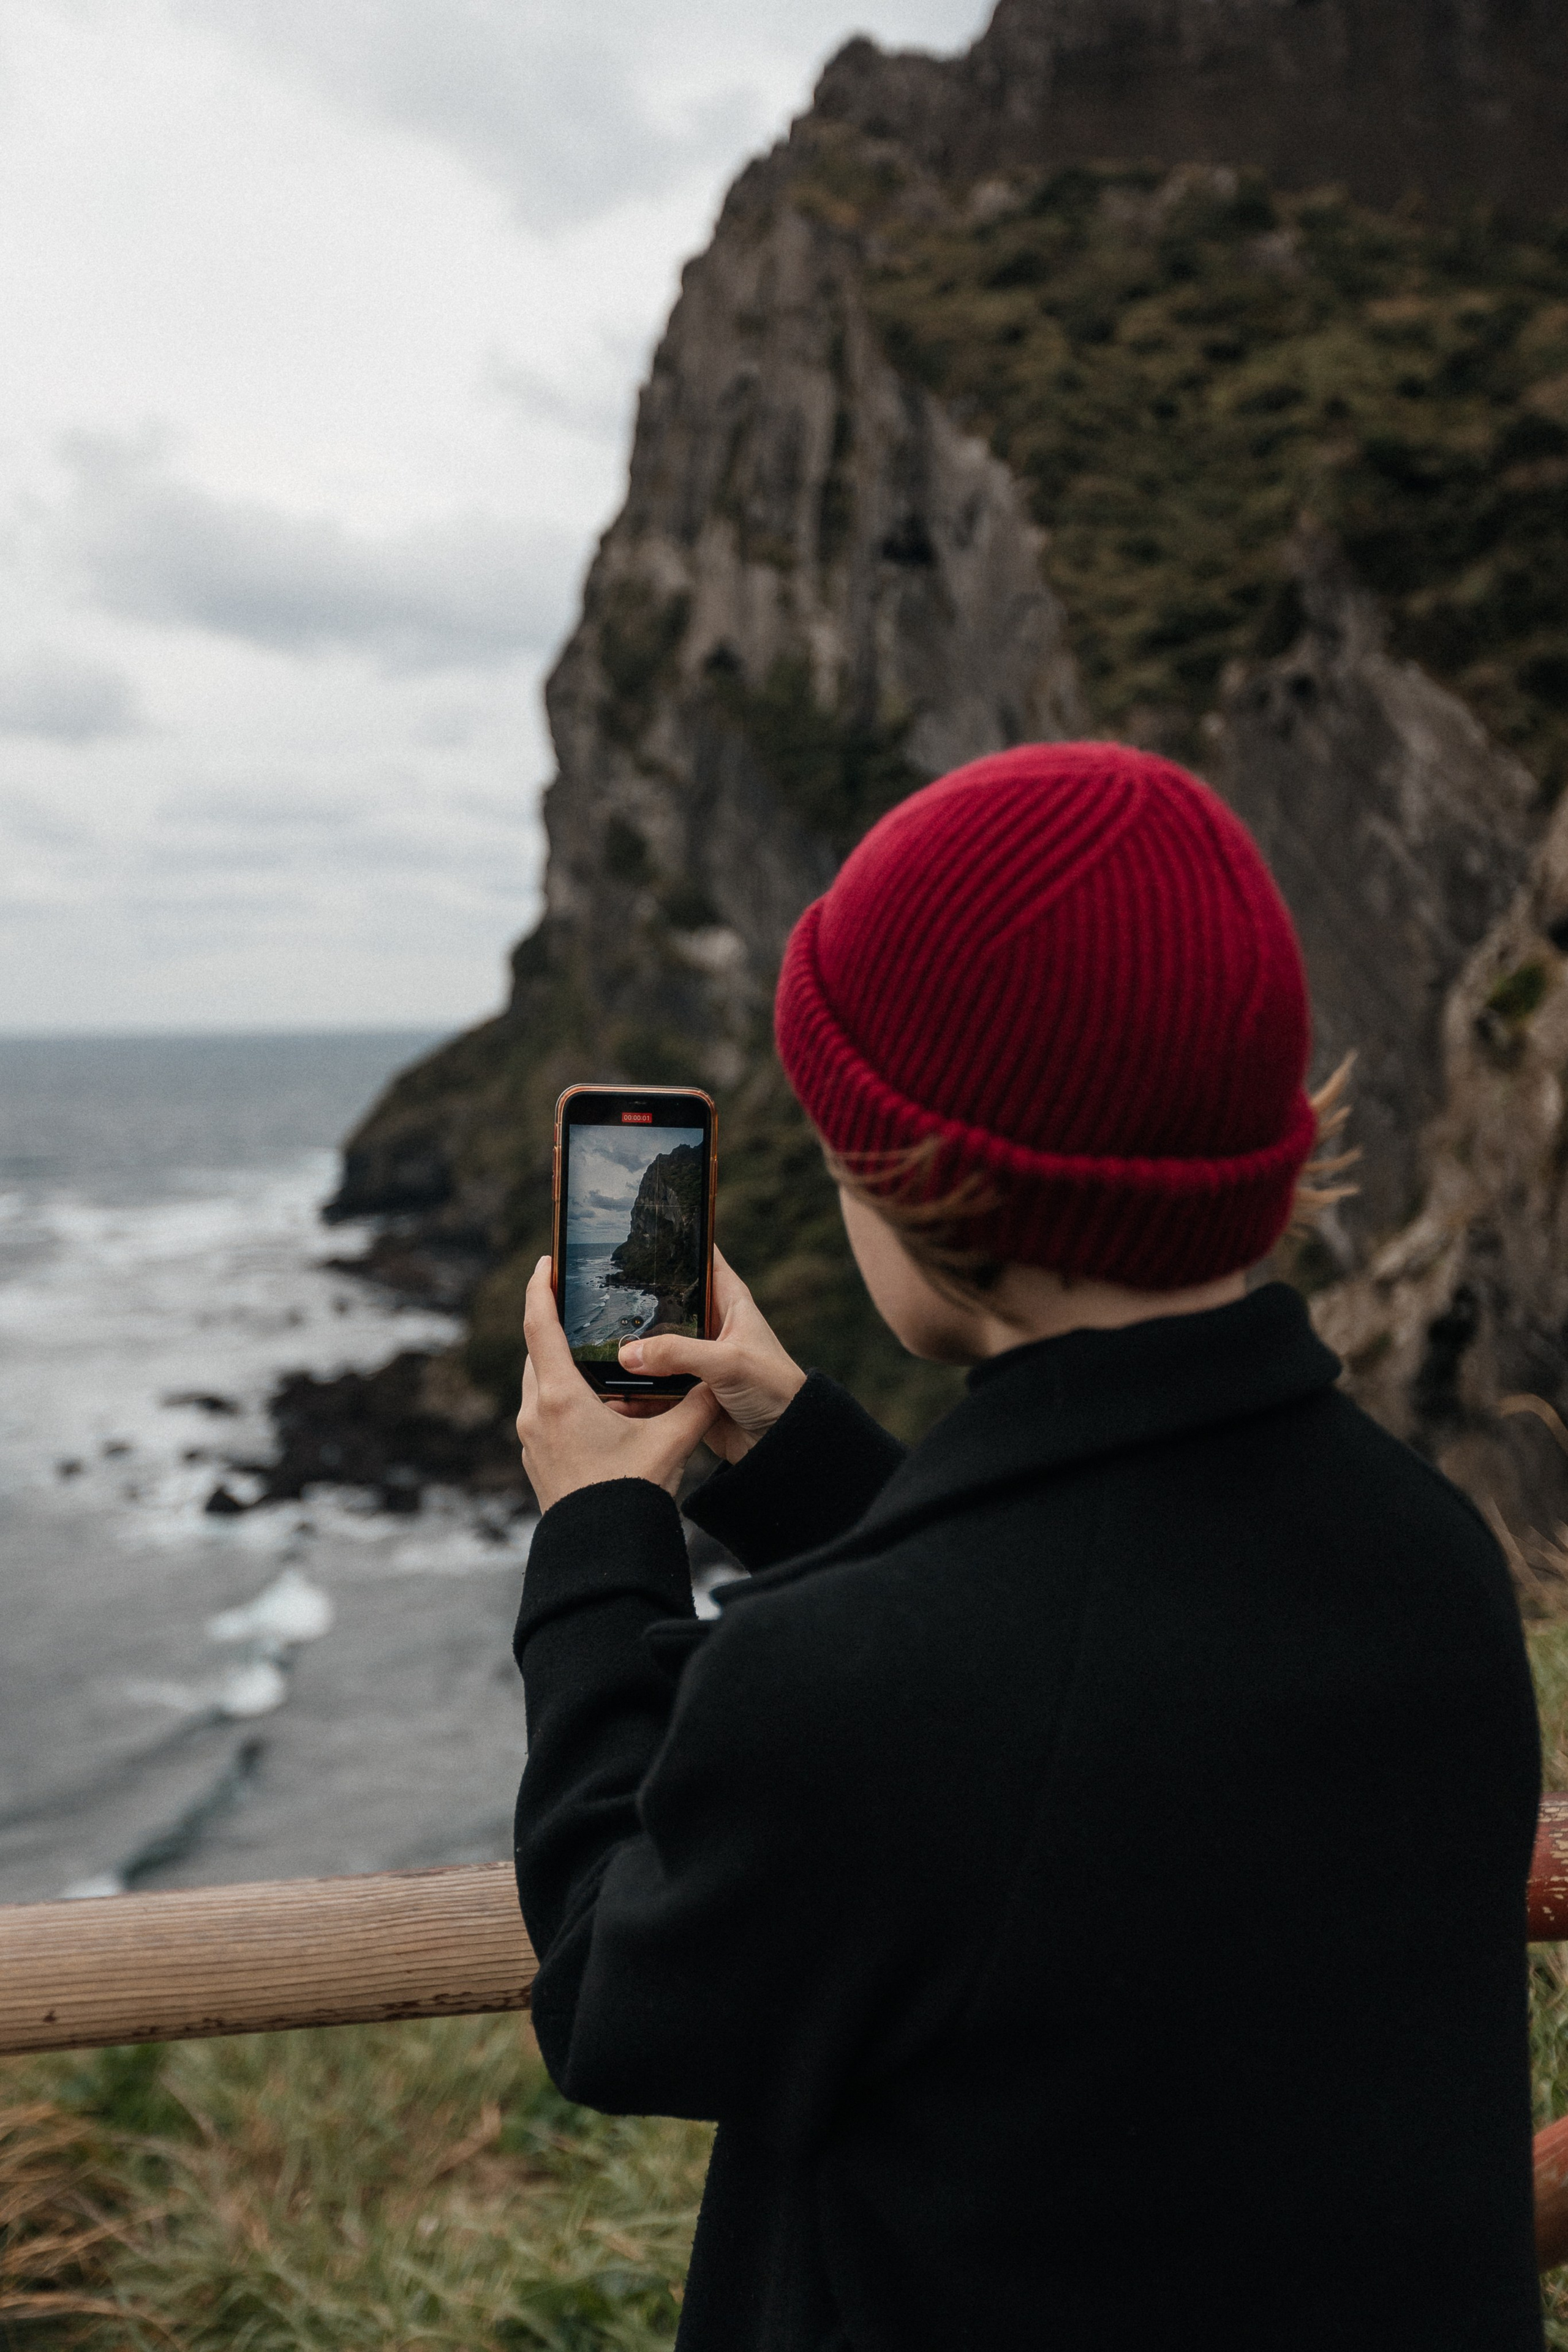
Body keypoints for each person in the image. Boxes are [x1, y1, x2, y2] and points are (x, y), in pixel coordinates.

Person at [510, 742, 1543, 2350]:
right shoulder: (1426, 1553)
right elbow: (1100, 1659)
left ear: (910, 1177)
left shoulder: (851, 1691)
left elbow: (611, 1990)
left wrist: (598, 1536)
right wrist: (806, 1464)